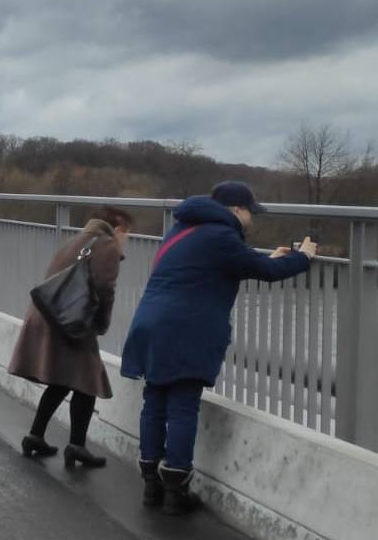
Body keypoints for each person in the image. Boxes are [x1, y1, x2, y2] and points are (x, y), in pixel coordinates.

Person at [121, 181, 314, 515]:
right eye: (250, 213)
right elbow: (266, 272)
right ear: (236, 210)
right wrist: (304, 257)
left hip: (150, 323)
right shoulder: (222, 237)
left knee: (154, 400)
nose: (251, 220)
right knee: (182, 405)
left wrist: (265, 257)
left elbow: (224, 263)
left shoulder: (180, 230)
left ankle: (151, 485)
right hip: (186, 329)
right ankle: (175, 490)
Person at [8, 207, 134, 469]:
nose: (128, 239)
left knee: (66, 380)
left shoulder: (81, 238)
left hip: (48, 313)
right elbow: (104, 288)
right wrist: (102, 323)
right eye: (128, 234)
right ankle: (76, 446)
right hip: (70, 320)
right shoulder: (107, 244)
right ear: (119, 227)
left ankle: (35, 436)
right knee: (86, 380)